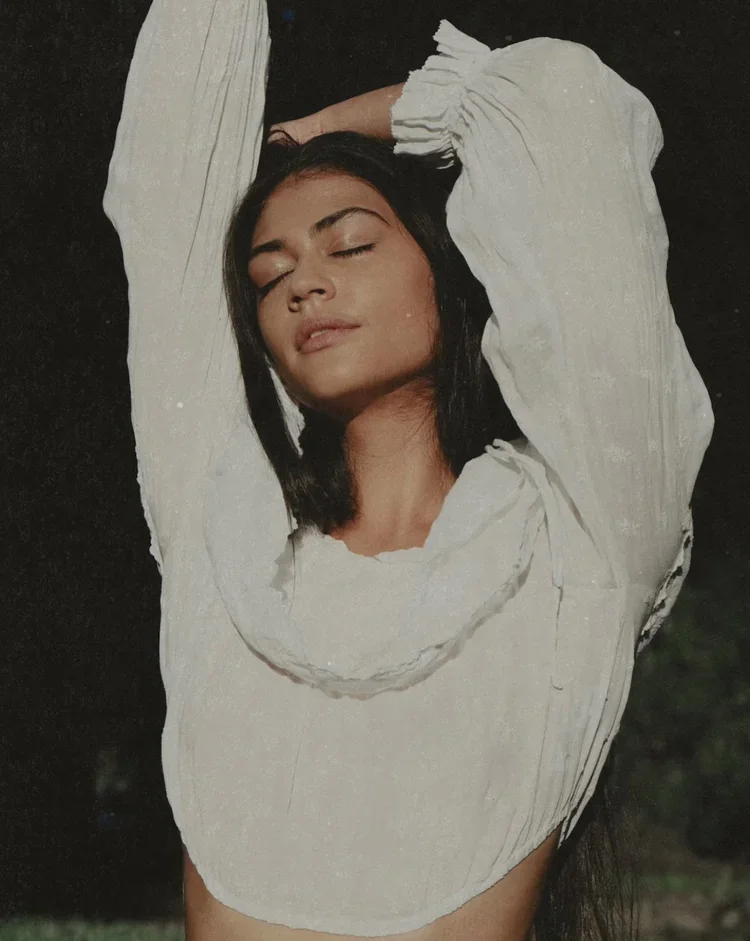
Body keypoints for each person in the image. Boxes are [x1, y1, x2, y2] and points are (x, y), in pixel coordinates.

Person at [102, 1, 715, 939]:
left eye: (349, 244)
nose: (305, 281)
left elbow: (563, 111)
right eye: (269, 276)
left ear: (449, 271)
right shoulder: (224, 541)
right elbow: (168, 185)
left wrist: (322, 130)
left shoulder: (575, 544)